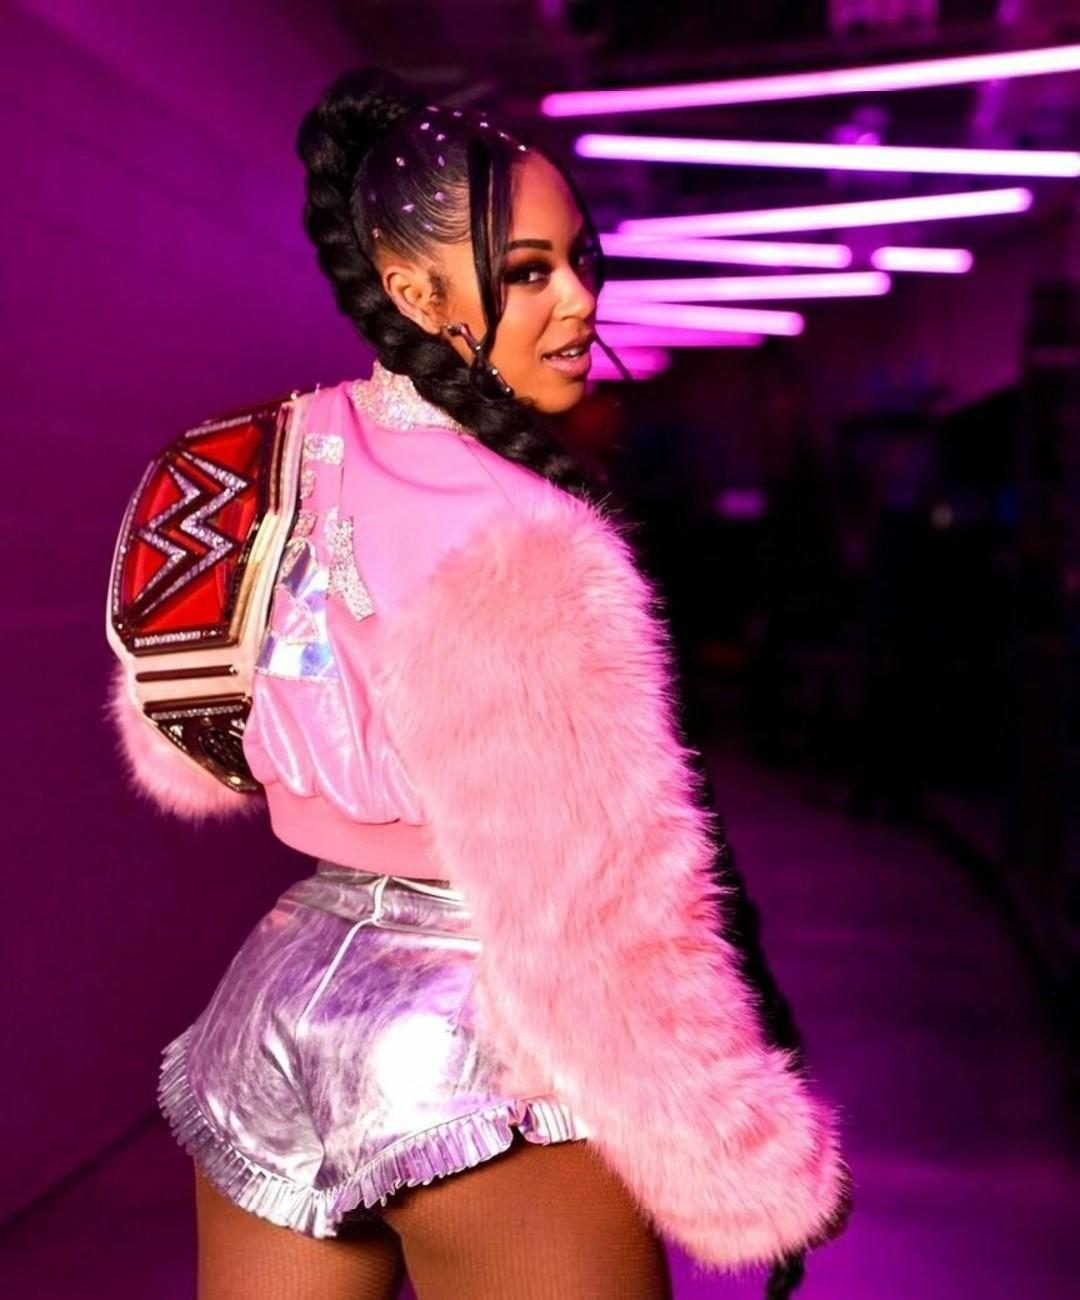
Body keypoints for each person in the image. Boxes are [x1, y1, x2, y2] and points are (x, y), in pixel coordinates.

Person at [107, 67, 850, 1300]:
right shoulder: (537, 540)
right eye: (528, 271)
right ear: (412, 291)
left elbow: (181, 743)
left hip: (276, 1003)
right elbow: (605, 916)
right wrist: (745, 1165)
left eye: (580, 261)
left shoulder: (256, 456)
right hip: (485, 1046)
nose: (580, 299)